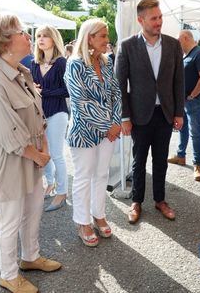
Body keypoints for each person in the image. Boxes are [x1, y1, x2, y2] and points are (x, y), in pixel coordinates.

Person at [0, 12, 62, 293]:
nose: (28, 37)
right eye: (22, 32)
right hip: (9, 161)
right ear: (4, 42)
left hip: (32, 156)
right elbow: (8, 135)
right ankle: (9, 275)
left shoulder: (20, 71)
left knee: (33, 211)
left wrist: (43, 148)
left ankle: (30, 257)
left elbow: (37, 117)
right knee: (9, 220)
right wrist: (39, 155)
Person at [115, 0, 184, 224]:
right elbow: (119, 86)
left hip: (164, 113)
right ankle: (136, 201)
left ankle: (160, 200)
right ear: (140, 20)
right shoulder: (127, 46)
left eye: (160, 17)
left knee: (161, 159)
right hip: (139, 115)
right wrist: (124, 116)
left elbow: (178, 82)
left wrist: (179, 113)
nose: (159, 22)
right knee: (139, 160)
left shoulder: (173, 45)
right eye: (154, 18)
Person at [64, 18, 121, 247]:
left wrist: (115, 122)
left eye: (107, 36)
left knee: (102, 175)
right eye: (104, 36)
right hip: (84, 132)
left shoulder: (107, 62)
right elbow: (80, 102)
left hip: (109, 130)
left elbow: (116, 94)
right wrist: (108, 125)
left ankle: (99, 214)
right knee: (83, 176)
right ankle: (82, 221)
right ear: (89, 37)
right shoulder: (75, 64)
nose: (108, 41)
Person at [31, 25, 69, 212]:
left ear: (54, 39)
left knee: (56, 154)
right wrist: (33, 90)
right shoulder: (34, 63)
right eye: (38, 36)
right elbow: (31, 88)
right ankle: (50, 183)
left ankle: (62, 192)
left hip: (58, 113)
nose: (41, 39)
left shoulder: (62, 62)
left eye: (45, 36)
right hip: (39, 115)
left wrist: (43, 91)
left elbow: (68, 90)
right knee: (42, 152)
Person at [168, 30, 200, 181]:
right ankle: (181, 155)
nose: (177, 43)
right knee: (182, 128)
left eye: (178, 40)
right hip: (184, 100)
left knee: (195, 132)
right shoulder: (189, 54)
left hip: (194, 101)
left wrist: (192, 95)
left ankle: (198, 164)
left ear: (185, 38)